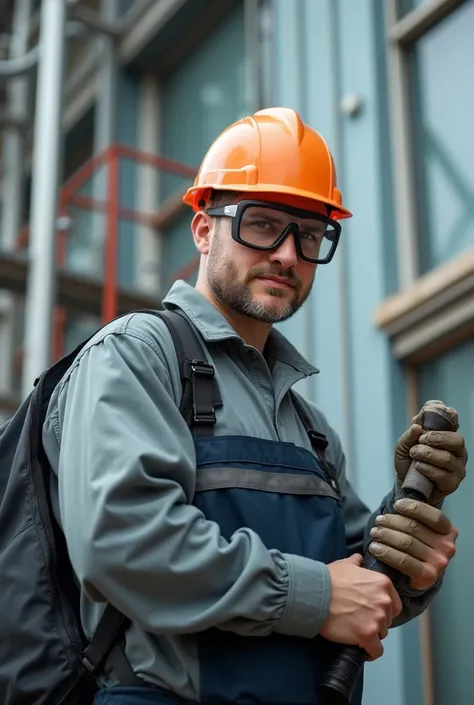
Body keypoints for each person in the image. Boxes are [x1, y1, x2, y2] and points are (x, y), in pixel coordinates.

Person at [42, 107, 467, 705]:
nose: (289, 255)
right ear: (203, 228)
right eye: (263, 224)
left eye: (311, 235)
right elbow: (122, 544)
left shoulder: (310, 428)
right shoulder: (137, 355)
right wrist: (317, 596)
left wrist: (409, 556)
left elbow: (356, 588)